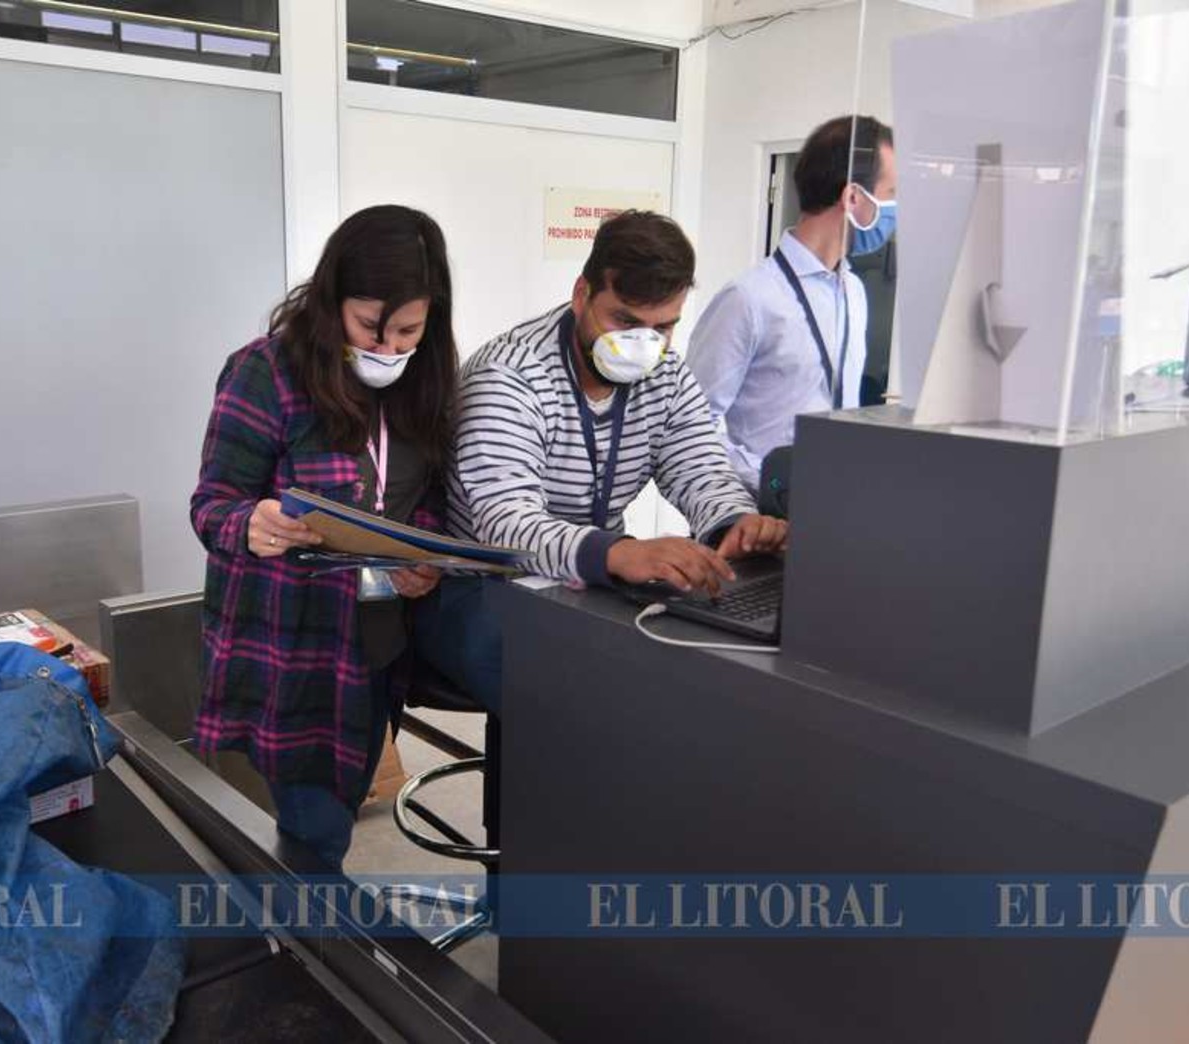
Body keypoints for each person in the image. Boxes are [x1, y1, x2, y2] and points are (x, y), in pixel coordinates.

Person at [414, 209, 788, 715]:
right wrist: (619, 553)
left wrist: (733, 521)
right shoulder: (509, 376)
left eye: (664, 327)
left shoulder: (666, 374)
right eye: (625, 321)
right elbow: (505, 527)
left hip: (588, 579)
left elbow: (700, 468)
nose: (643, 345)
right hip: (479, 585)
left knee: (678, 678)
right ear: (581, 294)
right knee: (584, 705)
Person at [189, 204, 458, 872]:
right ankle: (309, 931)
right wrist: (250, 524)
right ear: (333, 301)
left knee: (339, 806)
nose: (388, 350)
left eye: (408, 331)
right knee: (315, 837)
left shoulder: (422, 383)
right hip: (293, 651)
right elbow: (212, 504)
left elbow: (426, 497)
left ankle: (314, 920)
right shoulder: (267, 372)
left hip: (378, 643)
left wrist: (424, 554)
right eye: (370, 327)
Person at [689, 115, 897, 489]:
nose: (895, 210)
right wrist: (771, 480)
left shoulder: (853, 291)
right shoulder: (748, 298)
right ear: (852, 197)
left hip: (835, 499)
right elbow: (690, 425)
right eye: (891, 193)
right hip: (759, 509)